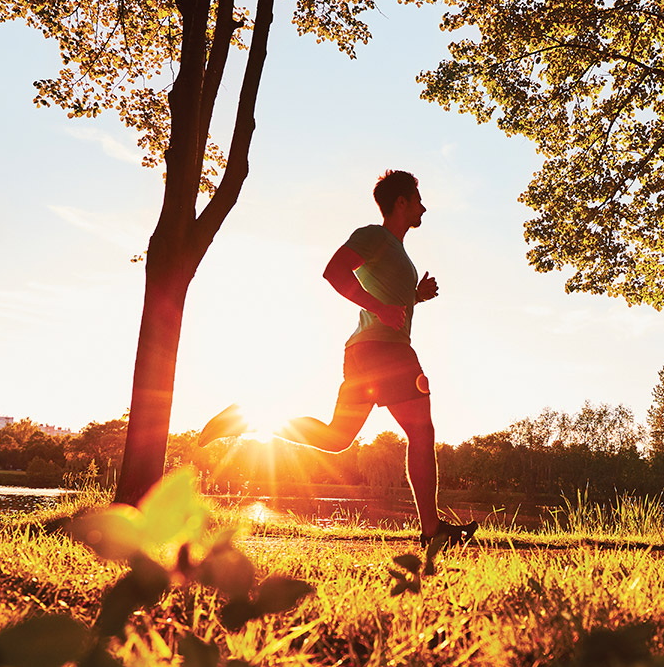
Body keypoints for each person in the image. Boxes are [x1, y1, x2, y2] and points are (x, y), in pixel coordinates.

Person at [199, 169, 475, 565]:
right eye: (417, 199)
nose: (423, 207)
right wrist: (379, 307)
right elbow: (333, 272)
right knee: (421, 430)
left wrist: (416, 296)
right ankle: (431, 530)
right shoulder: (375, 236)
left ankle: (247, 421)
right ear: (401, 202)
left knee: (337, 438)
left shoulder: (397, 251)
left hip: (371, 352)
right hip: (385, 352)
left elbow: (392, 300)